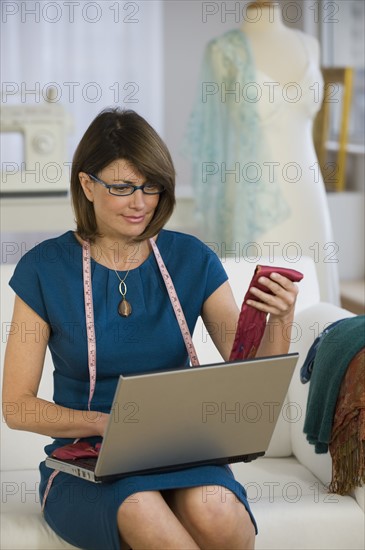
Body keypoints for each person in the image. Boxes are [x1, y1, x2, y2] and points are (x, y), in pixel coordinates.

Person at [3, 108, 299, 550]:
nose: (140, 202)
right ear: (87, 185)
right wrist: (105, 424)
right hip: (89, 460)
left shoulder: (192, 259)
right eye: (122, 188)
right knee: (141, 507)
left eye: (151, 186)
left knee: (215, 509)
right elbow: (17, 407)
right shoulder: (45, 268)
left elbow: (252, 379)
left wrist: (283, 318)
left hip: (181, 452)